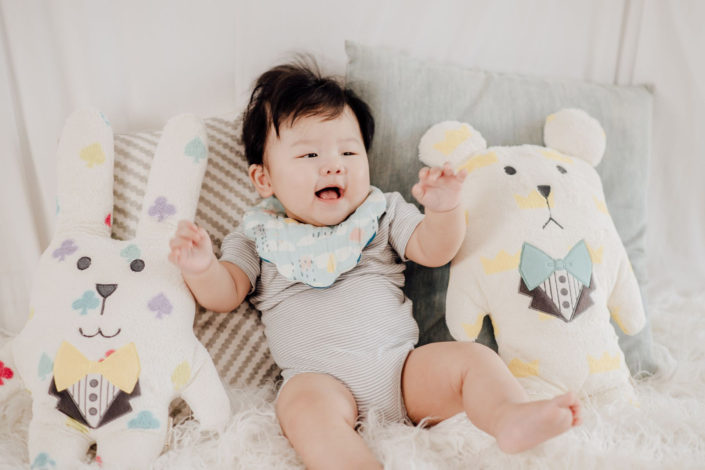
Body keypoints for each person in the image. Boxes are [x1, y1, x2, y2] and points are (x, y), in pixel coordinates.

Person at [169, 60, 581, 469]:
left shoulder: (380, 213)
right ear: (264, 179)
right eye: (310, 154)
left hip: (403, 374)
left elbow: (434, 250)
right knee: (300, 408)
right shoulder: (258, 236)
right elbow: (226, 292)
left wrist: (443, 210)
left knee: (474, 361)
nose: (334, 164)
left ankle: (509, 416)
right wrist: (202, 268)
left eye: (349, 151)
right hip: (320, 383)